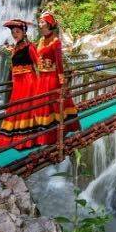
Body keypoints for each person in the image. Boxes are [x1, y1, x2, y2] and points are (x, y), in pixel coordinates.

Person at [0, 18, 47, 149]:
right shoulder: (15, 48)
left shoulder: (30, 47)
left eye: (17, 31)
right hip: (17, 83)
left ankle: (28, 140)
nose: (14, 34)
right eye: (13, 32)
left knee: (25, 108)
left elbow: (38, 64)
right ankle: (15, 138)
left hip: (28, 81)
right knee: (16, 108)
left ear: (24, 32)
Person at [33, 11, 80, 145]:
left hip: (51, 77)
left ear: (48, 24)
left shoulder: (56, 41)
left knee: (53, 105)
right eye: (39, 21)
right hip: (41, 76)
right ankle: (42, 134)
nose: (39, 24)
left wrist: (61, 79)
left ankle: (55, 133)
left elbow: (59, 62)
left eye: (42, 22)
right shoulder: (41, 40)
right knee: (41, 105)